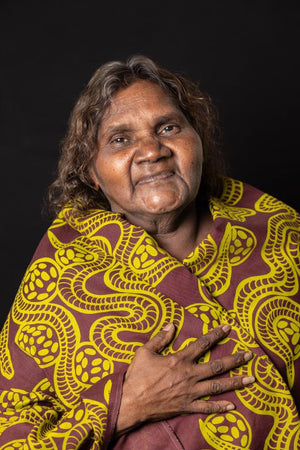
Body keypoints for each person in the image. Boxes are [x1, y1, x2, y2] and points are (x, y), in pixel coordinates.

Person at [0, 55, 299, 450]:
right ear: (92, 171)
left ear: (198, 141)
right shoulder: (58, 277)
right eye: (120, 139)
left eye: (168, 127)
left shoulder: (278, 229)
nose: (152, 150)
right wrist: (125, 405)